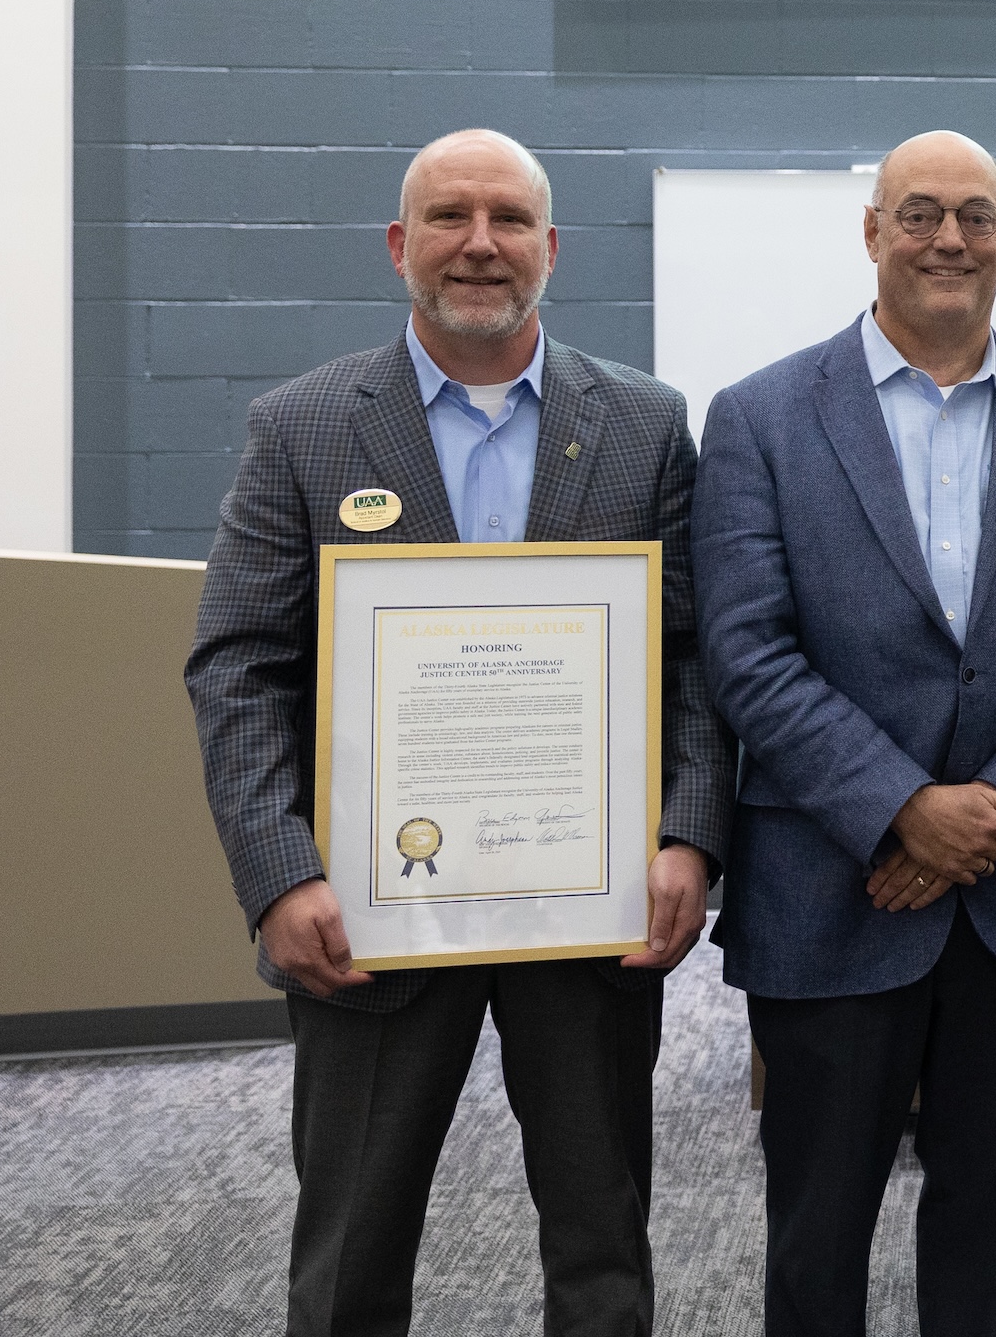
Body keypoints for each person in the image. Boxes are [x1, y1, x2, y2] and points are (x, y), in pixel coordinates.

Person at [182, 128, 734, 1337]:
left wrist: (688, 836)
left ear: (552, 247)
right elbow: (238, 668)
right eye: (447, 217)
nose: (479, 244)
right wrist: (281, 875)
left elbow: (692, 656)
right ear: (399, 245)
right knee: (352, 1247)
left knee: (603, 1244)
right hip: (368, 917)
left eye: (507, 219)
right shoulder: (307, 426)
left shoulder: (644, 425)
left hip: (591, 918)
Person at [693, 130, 996, 1337]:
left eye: (976, 216)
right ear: (873, 230)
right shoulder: (761, 418)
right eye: (921, 213)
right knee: (818, 1227)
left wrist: (975, 823)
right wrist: (904, 807)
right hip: (833, 891)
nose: (950, 238)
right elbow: (747, 652)